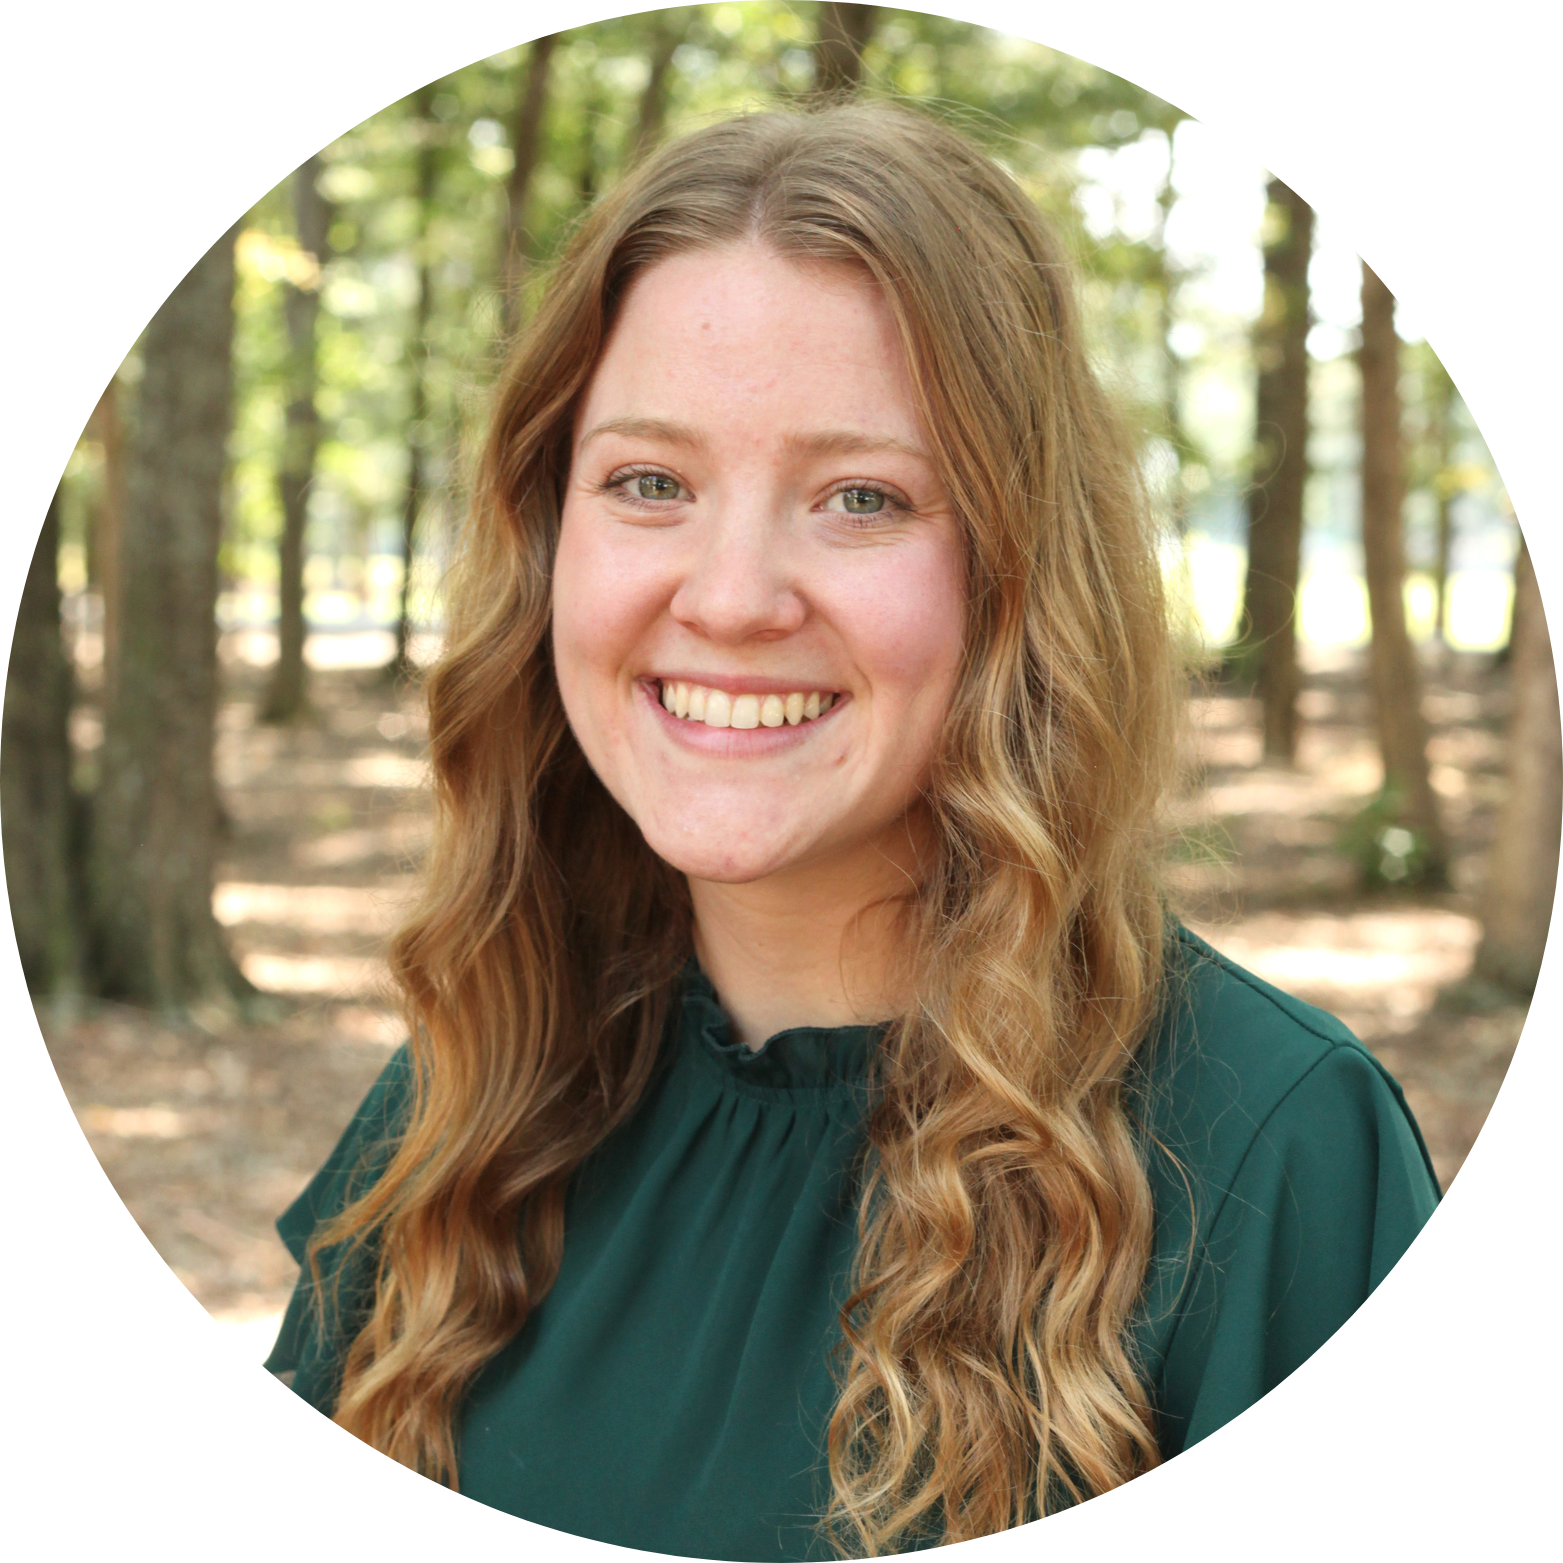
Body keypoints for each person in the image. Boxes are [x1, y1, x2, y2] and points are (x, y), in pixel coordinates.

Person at [265, 101, 1439, 1557]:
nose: (731, 596)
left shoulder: (1270, 1150)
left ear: (1019, 571)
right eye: (649, 483)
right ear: (547, 533)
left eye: (861, 498)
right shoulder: (476, 1086)